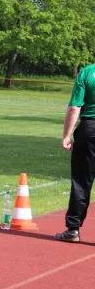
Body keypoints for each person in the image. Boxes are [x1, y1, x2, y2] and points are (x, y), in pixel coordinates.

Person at [56, 63, 95, 243]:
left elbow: (74, 107)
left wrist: (66, 135)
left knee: (81, 180)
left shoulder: (87, 72)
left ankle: (73, 229)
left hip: (89, 129)